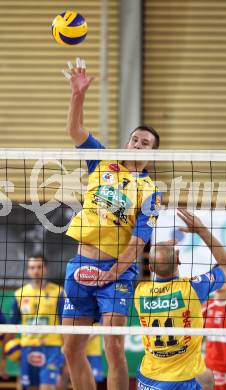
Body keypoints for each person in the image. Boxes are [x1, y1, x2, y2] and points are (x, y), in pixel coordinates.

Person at [61, 57, 161, 390]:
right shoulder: (103, 159)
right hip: (81, 264)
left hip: (118, 272)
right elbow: (75, 131)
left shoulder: (150, 192)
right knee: (71, 348)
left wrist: (113, 272)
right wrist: (78, 95)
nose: (138, 145)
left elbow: (138, 241)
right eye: (135, 139)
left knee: (113, 346)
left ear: (153, 154)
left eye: (145, 144)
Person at [134, 208, 226, 390]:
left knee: (207, 377)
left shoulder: (140, 292)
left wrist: (160, 250)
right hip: (180, 381)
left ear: (149, 267)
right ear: (179, 259)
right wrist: (202, 230)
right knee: (206, 377)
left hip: (147, 378)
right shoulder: (193, 289)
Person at [10, 255, 65, 390]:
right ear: (28, 270)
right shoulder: (19, 294)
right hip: (27, 348)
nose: (36, 271)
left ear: (45, 269)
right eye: (32, 267)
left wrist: (65, 350)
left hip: (51, 348)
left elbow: (65, 324)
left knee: (47, 387)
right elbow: (11, 326)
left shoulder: (59, 292)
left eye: (39, 267)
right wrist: (8, 353)